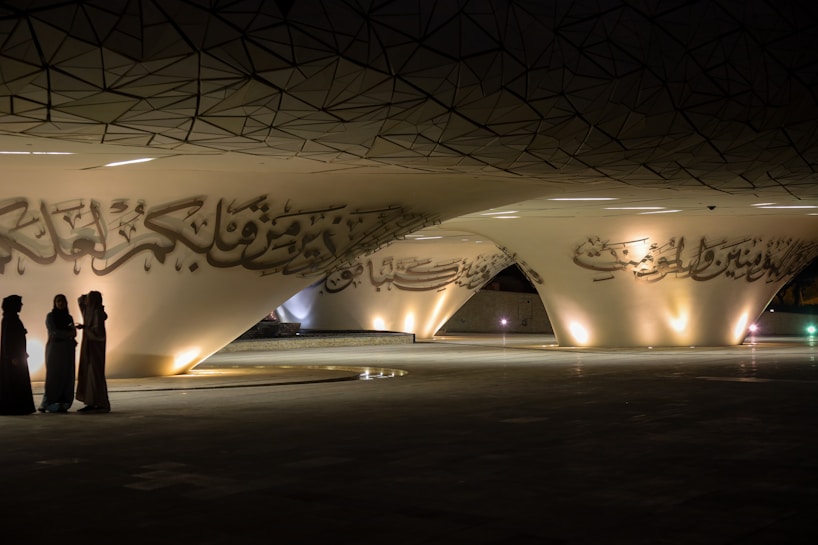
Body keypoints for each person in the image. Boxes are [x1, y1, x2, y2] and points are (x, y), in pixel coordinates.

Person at [39, 294, 77, 413]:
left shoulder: (69, 317)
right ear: (55, 303)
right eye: (58, 301)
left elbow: (74, 333)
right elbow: (53, 332)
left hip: (67, 350)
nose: (61, 303)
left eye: (63, 301)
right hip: (55, 349)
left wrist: (68, 334)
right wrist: (67, 334)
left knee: (66, 375)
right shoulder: (50, 316)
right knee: (53, 376)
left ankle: (62, 403)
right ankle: (47, 402)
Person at [75, 291, 110, 413]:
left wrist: (85, 328)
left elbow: (98, 334)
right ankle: (91, 401)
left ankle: (98, 402)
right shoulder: (90, 312)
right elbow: (80, 301)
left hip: (95, 350)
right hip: (90, 350)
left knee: (94, 375)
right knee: (90, 376)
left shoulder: (97, 313)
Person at [0, 294, 35, 415]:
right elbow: (7, 339)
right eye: (19, 303)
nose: (21, 305)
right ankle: (16, 407)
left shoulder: (11, 318)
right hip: (14, 357)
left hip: (17, 356)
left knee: (17, 381)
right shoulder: (10, 319)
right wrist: (11, 356)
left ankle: (18, 407)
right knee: (15, 381)